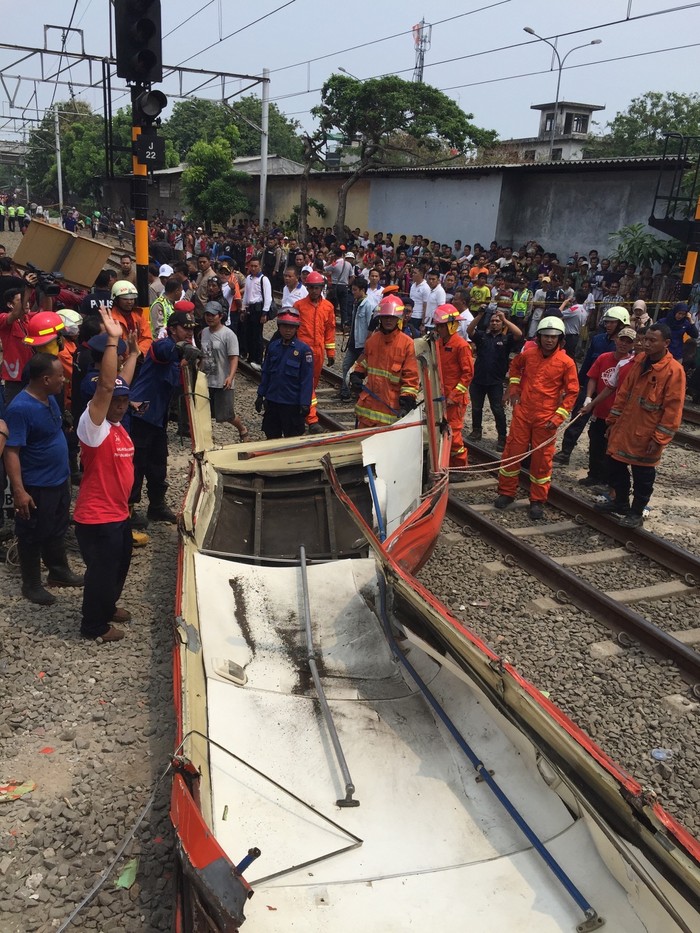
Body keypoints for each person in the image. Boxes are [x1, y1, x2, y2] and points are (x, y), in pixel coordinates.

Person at [73, 306, 136, 642]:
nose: (121, 405)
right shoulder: (93, 426)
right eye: (116, 401)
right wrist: (113, 341)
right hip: (98, 517)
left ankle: (107, 606)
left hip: (118, 513)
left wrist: (133, 354)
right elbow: (108, 386)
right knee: (101, 572)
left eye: (125, 401)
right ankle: (93, 626)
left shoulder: (116, 425)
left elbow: (120, 383)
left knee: (119, 564)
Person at [3, 353, 83, 604]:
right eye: (60, 375)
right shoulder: (20, 409)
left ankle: (58, 571)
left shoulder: (50, 398)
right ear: (45, 379)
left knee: (57, 527)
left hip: (58, 480)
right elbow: (11, 452)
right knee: (32, 533)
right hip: (37, 485)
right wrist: (19, 491)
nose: (64, 379)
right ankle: (31, 584)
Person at [598, 323, 685, 528]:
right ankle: (620, 503)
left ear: (666, 343)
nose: (646, 343)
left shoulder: (674, 371)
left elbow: (673, 409)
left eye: (652, 340)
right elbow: (624, 393)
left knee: (643, 475)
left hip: (646, 433)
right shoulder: (639, 361)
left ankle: (636, 512)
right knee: (615, 465)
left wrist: (660, 438)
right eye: (645, 339)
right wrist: (612, 421)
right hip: (625, 427)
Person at [495, 316, 578, 521]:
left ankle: (537, 500)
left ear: (560, 339)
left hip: (546, 418)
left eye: (553, 337)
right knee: (512, 453)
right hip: (523, 413)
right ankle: (506, 492)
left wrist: (558, 417)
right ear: (539, 337)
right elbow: (515, 367)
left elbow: (572, 392)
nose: (549, 340)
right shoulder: (529, 354)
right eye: (546, 336)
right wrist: (514, 387)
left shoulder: (566, 363)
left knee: (542, 461)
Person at [127, 309, 201, 527]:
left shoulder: (177, 355)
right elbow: (166, 351)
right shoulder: (162, 346)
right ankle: (128, 509)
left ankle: (156, 506)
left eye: (191, 329)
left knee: (158, 463)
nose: (189, 332)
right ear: (172, 329)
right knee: (137, 464)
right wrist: (184, 349)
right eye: (185, 328)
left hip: (158, 418)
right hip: (142, 415)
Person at [553, 305, 630, 465]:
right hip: (591, 385)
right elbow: (588, 363)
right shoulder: (598, 339)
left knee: (603, 425)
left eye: (612, 322)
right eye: (607, 322)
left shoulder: (627, 345)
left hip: (610, 392)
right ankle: (566, 451)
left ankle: (601, 458)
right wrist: (580, 384)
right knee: (578, 418)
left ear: (621, 324)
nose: (608, 325)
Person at [578, 327, 636, 487]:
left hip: (617, 415)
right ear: (616, 340)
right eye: (622, 339)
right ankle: (594, 475)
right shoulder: (603, 358)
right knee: (595, 443)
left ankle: (607, 480)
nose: (624, 344)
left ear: (633, 345)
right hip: (600, 410)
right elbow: (593, 378)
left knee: (610, 448)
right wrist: (589, 397)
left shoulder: (632, 365)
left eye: (628, 342)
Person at [350, 294, 419, 428]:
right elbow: (365, 362)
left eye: (392, 317)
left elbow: (411, 377)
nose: (388, 320)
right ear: (380, 318)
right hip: (368, 408)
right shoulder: (372, 341)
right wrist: (357, 374)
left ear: (398, 318)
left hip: (391, 410)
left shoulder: (407, 344)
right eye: (385, 316)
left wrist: (407, 400)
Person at [468, 308, 521, 451]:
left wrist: (505, 319)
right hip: (478, 380)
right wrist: (480, 315)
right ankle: (476, 431)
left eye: (497, 321)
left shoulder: (506, 339)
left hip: (495, 382)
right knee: (476, 407)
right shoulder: (482, 337)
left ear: (502, 324)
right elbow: (470, 330)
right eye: (492, 321)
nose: (494, 323)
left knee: (497, 410)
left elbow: (519, 334)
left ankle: (502, 437)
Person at [255, 309, 314, 439]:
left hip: (291, 404)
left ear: (296, 328)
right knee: (271, 435)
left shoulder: (304, 350)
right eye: (285, 326)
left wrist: (305, 403)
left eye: (291, 327)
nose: (288, 330)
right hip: (273, 401)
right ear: (279, 327)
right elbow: (266, 373)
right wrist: (260, 394)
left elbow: (306, 379)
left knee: (292, 438)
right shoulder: (273, 347)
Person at [293, 270, 336, 433]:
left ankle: (303, 410)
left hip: (318, 352)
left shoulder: (328, 307)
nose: (314, 291)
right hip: (303, 352)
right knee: (307, 385)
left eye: (317, 287)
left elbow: (330, 330)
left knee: (312, 384)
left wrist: (330, 352)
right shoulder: (299, 306)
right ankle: (312, 420)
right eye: (311, 287)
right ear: (307, 288)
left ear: (321, 288)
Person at [433, 304, 473, 472]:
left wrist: (454, 395)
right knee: (441, 432)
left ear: (451, 325)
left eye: (441, 326)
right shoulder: (438, 343)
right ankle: (446, 464)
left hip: (454, 401)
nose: (439, 329)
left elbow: (468, 374)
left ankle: (460, 467)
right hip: (440, 397)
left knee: (453, 434)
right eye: (438, 326)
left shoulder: (461, 346)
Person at [200, 301, 248, 441]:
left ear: (220, 316)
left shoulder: (228, 335)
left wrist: (230, 377)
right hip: (207, 379)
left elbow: (233, 358)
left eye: (213, 315)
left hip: (222, 380)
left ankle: (242, 429)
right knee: (206, 412)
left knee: (227, 414)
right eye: (207, 315)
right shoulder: (204, 332)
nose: (209, 318)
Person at [340, 277, 373, 400]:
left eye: (355, 290)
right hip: (353, 343)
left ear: (362, 290)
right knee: (346, 366)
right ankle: (345, 392)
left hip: (362, 345)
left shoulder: (368, 305)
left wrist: (368, 345)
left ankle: (360, 394)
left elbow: (371, 327)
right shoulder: (356, 303)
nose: (353, 292)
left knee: (361, 371)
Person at [241, 257, 272, 370]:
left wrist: (264, 313)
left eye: (255, 266)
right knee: (248, 333)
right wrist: (243, 308)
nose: (253, 268)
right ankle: (250, 356)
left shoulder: (264, 279)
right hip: (250, 309)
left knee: (257, 335)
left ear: (260, 267)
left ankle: (258, 359)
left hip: (258, 310)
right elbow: (246, 295)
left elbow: (268, 297)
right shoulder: (248, 278)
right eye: (251, 266)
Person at [110, 279, 152, 357]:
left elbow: (147, 337)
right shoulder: (111, 319)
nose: (129, 302)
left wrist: (138, 352)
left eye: (132, 299)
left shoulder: (138, 315)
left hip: (139, 357)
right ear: (116, 300)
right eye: (125, 299)